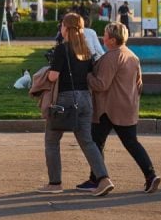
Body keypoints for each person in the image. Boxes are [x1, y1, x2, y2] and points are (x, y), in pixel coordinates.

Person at [36, 12, 115, 197]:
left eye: (62, 25)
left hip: (65, 99)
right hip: (85, 99)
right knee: (87, 141)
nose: (61, 28)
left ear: (66, 28)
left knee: (52, 141)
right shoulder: (86, 50)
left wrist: (45, 73)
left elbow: (53, 76)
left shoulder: (62, 49)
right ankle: (104, 179)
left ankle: (55, 183)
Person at [83, 22, 161, 193]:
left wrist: (87, 75)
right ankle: (151, 175)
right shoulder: (132, 56)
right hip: (127, 108)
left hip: (107, 109)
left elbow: (101, 84)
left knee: (95, 143)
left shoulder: (111, 57)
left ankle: (97, 179)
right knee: (132, 143)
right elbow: (139, 84)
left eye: (105, 35)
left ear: (112, 40)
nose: (103, 38)